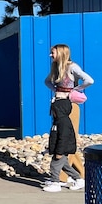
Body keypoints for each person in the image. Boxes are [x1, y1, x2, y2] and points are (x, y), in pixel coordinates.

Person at [44, 43, 94, 181]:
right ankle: (76, 176)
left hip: (70, 106)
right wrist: (56, 90)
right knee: (63, 138)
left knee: (67, 139)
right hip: (60, 105)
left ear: (61, 53)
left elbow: (89, 80)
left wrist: (74, 90)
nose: (50, 55)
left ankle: (65, 177)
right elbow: (47, 81)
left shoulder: (72, 67)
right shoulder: (56, 68)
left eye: (53, 52)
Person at [43, 98, 85, 192]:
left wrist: (59, 152)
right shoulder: (57, 121)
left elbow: (63, 139)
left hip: (62, 149)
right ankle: (78, 179)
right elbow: (55, 137)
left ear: (58, 110)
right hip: (59, 149)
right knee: (65, 166)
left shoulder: (63, 122)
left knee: (54, 165)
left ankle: (55, 183)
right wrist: (50, 149)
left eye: (53, 110)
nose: (52, 113)